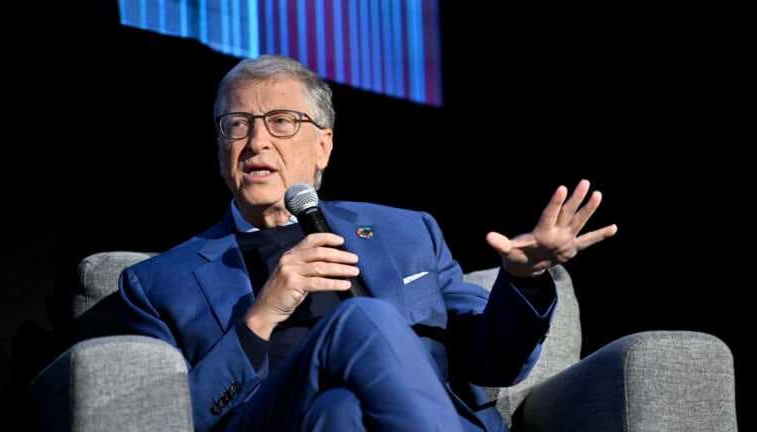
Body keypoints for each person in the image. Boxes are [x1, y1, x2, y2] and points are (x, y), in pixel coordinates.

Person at [110, 55, 617, 431]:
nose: (257, 141)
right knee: (363, 319)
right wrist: (260, 317)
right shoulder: (156, 284)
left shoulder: (408, 233)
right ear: (221, 147)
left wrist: (524, 278)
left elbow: (496, 363)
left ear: (323, 145)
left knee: (340, 411)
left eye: (282, 122)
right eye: (237, 125)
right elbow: (164, 420)